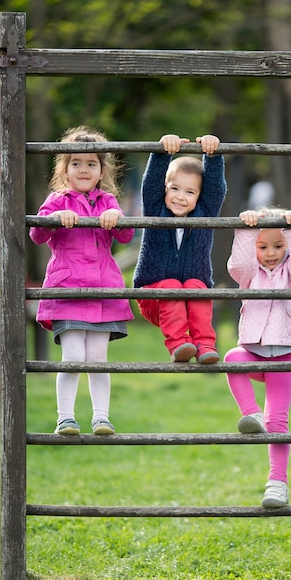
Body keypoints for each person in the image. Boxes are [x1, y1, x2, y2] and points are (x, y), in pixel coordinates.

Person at [29, 125, 135, 436]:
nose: (83, 169)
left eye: (91, 163)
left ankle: (102, 417)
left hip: (103, 292)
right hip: (67, 290)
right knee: (73, 356)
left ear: (102, 170)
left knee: (98, 359)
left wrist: (117, 218)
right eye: (76, 163)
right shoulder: (58, 199)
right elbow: (37, 234)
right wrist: (53, 219)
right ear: (65, 169)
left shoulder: (107, 201)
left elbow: (127, 235)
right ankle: (65, 417)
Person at [224, 207, 291, 508]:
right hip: (254, 350)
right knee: (232, 359)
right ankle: (251, 413)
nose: (271, 253)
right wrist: (248, 227)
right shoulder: (249, 276)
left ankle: (278, 483)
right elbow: (240, 261)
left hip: (286, 355)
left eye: (278, 246)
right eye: (263, 246)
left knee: (278, 422)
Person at [133, 133, 227, 363]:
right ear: (165, 188)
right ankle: (179, 345)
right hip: (154, 297)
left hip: (191, 301)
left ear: (199, 196)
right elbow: (150, 183)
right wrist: (163, 152)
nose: (180, 197)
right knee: (172, 285)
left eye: (190, 192)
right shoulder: (155, 210)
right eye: (175, 189)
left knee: (197, 285)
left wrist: (213, 156)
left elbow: (216, 190)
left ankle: (204, 345)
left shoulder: (205, 215)